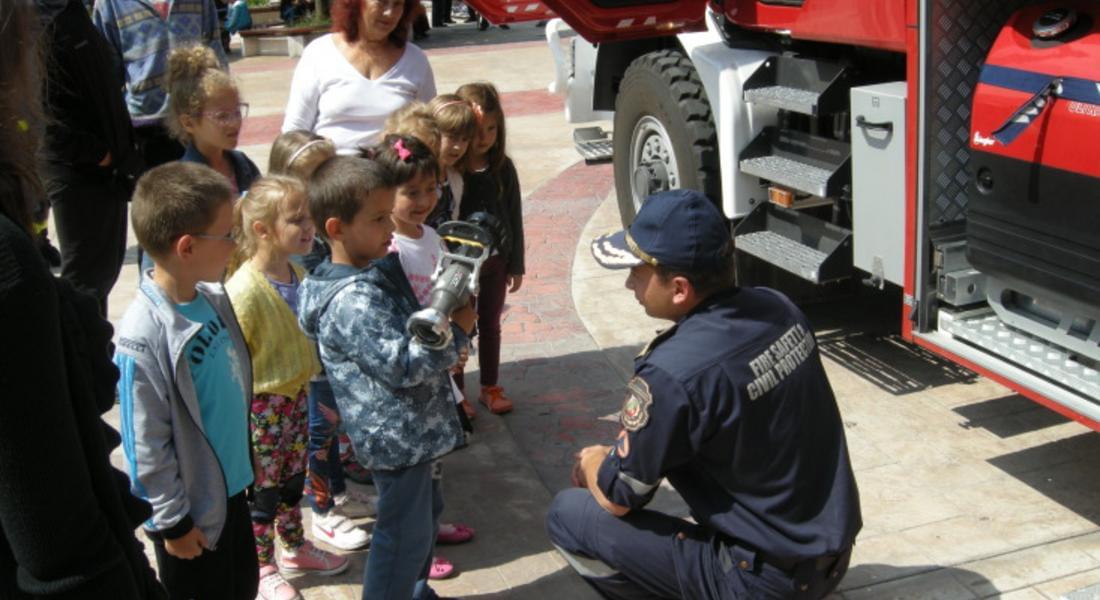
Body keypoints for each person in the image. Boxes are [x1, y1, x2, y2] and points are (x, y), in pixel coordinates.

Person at [545, 189, 862, 600]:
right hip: (830, 559)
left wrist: (593, 464)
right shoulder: (778, 308)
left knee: (568, 515)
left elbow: (621, 498)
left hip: (763, 583)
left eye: (638, 273)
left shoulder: (671, 373)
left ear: (679, 288)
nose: (629, 284)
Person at [0, 1, 165, 596]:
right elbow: (59, 541)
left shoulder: (77, 20)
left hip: (103, 173)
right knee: (86, 276)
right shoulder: (8, 267)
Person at [298, 153, 474, 599]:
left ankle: (413, 591)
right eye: (378, 219)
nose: (389, 229)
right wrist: (456, 331)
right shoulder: (350, 299)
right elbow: (401, 365)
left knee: (424, 518)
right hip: (395, 440)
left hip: (414, 434)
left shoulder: (370, 272)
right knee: (400, 536)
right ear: (336, 229)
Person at [114, 162, 259, 600]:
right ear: (188, 247)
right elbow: (144, 445)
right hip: (192, 517)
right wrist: (172, 523)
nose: (236, 244)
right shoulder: (143, 336)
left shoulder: (212, 298)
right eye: (228, 234)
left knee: (242, 587)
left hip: (231, 492)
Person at [225, 176, 350, 600]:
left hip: (297, 397)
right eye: (296, 219)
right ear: (261, 229)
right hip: (263, 408)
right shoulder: (243, 291)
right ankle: (262, 566)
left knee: (293, 479)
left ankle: (294, 546)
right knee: (264, 489)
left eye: (309, 216)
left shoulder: (297, 273)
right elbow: (233, 363)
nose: (308, 226)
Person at [268, 130, 376, 552]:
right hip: (306, 358)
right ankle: (323, 512)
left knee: (331, 427)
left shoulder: (318, 227)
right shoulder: (293, 239)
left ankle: (338, 492)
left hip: (327, 353)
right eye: (315, 176)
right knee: (319, 432)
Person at [379, 134, 476, 580]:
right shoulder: (387, 248)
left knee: (435, 467)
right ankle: (417, 550)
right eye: (410, 192)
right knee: (411, 480)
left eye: (431, 188)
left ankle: (432, 527)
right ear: (385, 193)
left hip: (438, 368)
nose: (424, 200)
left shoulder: (434, 235)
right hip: (411, 374)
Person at [38, 0, 143, 315]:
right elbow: (44, 116)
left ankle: (95, 355)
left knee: (101, 277)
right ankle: (79, 359)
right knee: (83, 284)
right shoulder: (39, 22)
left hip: (106, 173)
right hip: (80, 174)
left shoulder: (69, 12)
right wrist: (99, 154)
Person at [282, 0, 436, 154]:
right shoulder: (319, 53)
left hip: (396, 174)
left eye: (398, 4)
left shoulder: (416, 59)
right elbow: (295, 130)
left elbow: (429, 126)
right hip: (331, 172)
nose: (390, 13)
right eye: (382, 2)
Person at [455, 82, 526, 416]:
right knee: (459, 326)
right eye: (475, 130)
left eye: (491, 129)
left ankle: (490, 386)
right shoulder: (453, 171)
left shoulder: (503, 169)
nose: (483, 138)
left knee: (491, 324)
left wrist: (516, 263)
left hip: (496, 263)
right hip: (459, 266)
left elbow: (514, 216)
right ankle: (457, 393)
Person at [93, 0, 227, 170]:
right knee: (156, 193)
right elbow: (106, 75)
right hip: (145, 128)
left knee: (205, 192)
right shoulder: (110, 4)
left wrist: (224, 111)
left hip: (197, 121)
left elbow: (215, 51)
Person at [168, 45, 261, 197]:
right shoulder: (183, 183)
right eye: (222, 116)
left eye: (237, 111)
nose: (235, 123)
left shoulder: (243, 165)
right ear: (189, 123)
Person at [423, 94, 476, 236]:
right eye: (452, 137)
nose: (458, 147)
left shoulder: (455, 179)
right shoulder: (418, 177)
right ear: (431, 132)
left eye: (465, 139)